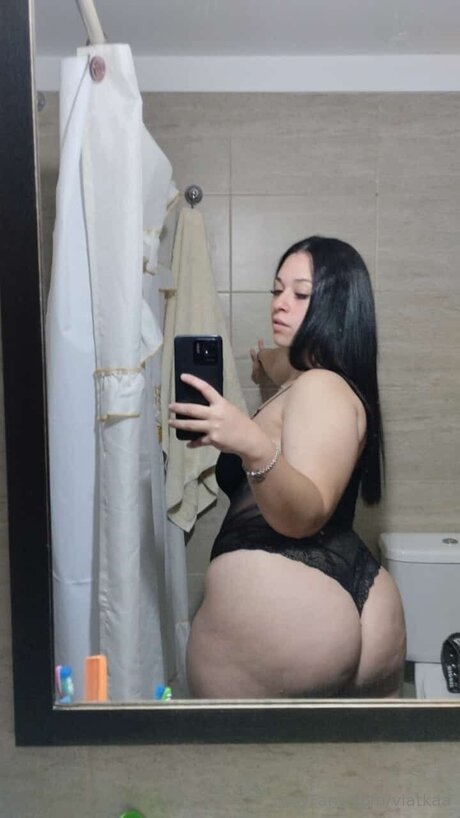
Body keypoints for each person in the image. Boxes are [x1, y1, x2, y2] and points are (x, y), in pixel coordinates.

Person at [169, 236, 406, 699]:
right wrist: (263, 366)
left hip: (289, 606)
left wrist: (251, 443)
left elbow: (305, 515)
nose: (280, 303)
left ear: (336, 307)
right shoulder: (315, 375)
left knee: (233, 749)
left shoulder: (320, 387)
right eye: (277, 290)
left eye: (300, 295)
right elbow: (281, 363)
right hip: (356, 587)